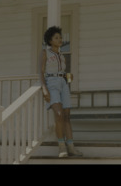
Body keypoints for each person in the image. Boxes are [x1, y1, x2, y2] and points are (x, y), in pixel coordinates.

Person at [39, 26, 83, 158]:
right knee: (58, 114)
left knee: (67, 116)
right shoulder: (45, 53)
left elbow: (61, 72)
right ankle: (61, 147)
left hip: (63, 84)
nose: (60, 40)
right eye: (56, 38)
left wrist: (68, 77)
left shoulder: (61, 54)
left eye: (60, 37)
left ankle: (71, 147)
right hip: (51, 84)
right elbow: (41, 72)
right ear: (50, 40)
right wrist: (44, 88)